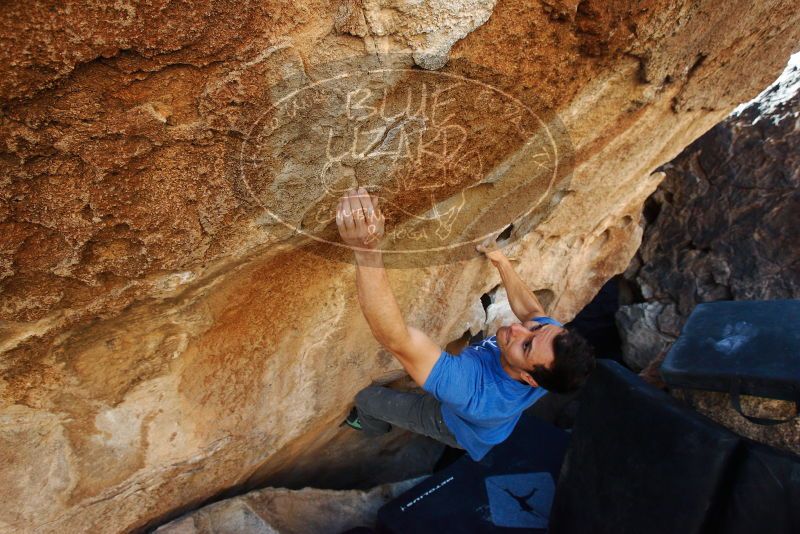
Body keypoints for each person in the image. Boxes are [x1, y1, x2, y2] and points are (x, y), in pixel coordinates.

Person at [335, 188, 596, 461]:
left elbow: (397, 340)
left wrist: (365, 251)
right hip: (492, 414)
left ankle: (369, 425)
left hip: (455, 425)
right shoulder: (552, 349)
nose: (518, 329)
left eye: (526, 345)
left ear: (531, 379)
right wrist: (503, 264)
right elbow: (533, 311)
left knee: (367, 400)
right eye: (535, 329)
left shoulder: (474, 391)